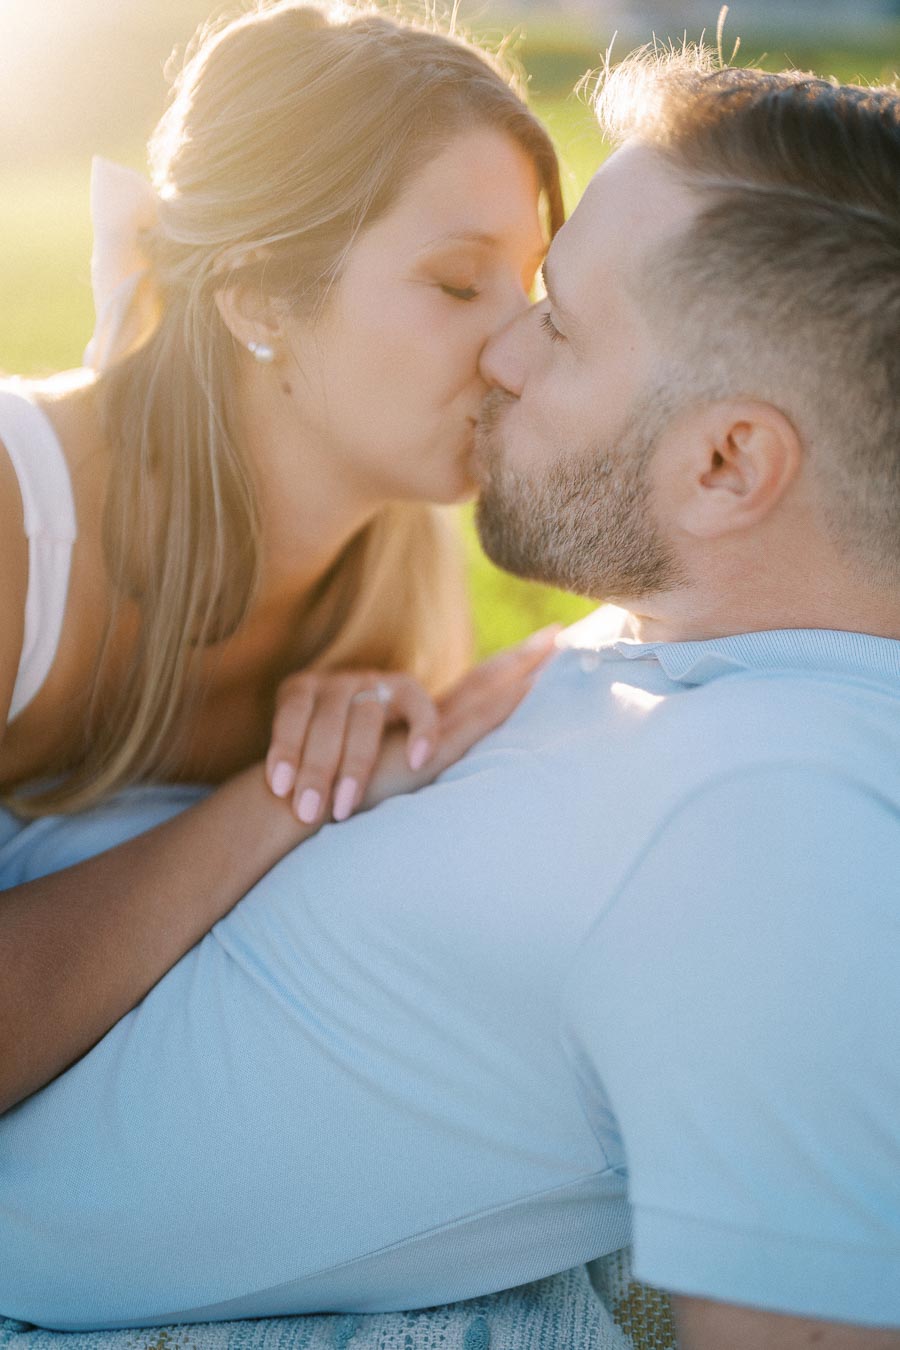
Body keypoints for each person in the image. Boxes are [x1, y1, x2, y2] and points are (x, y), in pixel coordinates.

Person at [2, 45, 900, 1350]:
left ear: (724, 463)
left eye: (559, 319)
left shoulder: (768, 821)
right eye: (466, 285)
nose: (505, 355)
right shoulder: (697, 630)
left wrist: (285, 801)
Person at [0, 2, 564, 1112]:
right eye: (459, 284)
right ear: (259, 293)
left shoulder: (398, 571)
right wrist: (282, 802)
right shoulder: (21, 524)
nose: (520, 346)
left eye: (535, 287)